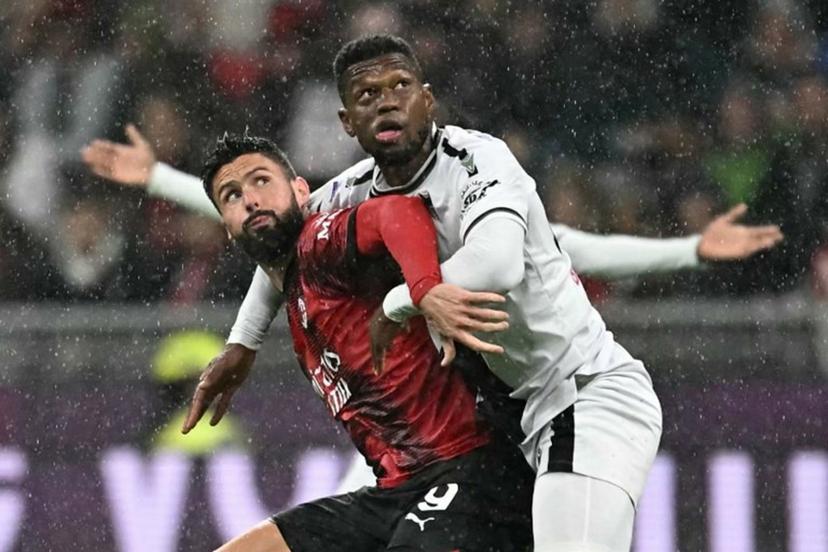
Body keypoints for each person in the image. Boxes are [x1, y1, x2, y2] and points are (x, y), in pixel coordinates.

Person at [82, 36, 785, 552]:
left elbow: (500, 262)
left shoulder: (480, 161)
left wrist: (407, 299)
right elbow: (276, 232)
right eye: (365, 96)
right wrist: (241, 343)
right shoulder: (351, 191)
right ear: (346, 125)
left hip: (584, 394)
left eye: (398, 87)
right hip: (513, 422)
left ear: (428, 99)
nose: (384, 101)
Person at [198, 132, 533, 552]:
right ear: (226, 229)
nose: (250, 200)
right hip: (398, 490)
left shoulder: (319, 245)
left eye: (261, 181)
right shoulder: (295, 292)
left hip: (471, 468)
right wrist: (242, 342)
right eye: (231, 196)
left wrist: (424, 290)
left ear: (302, 191)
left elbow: (398, 212)